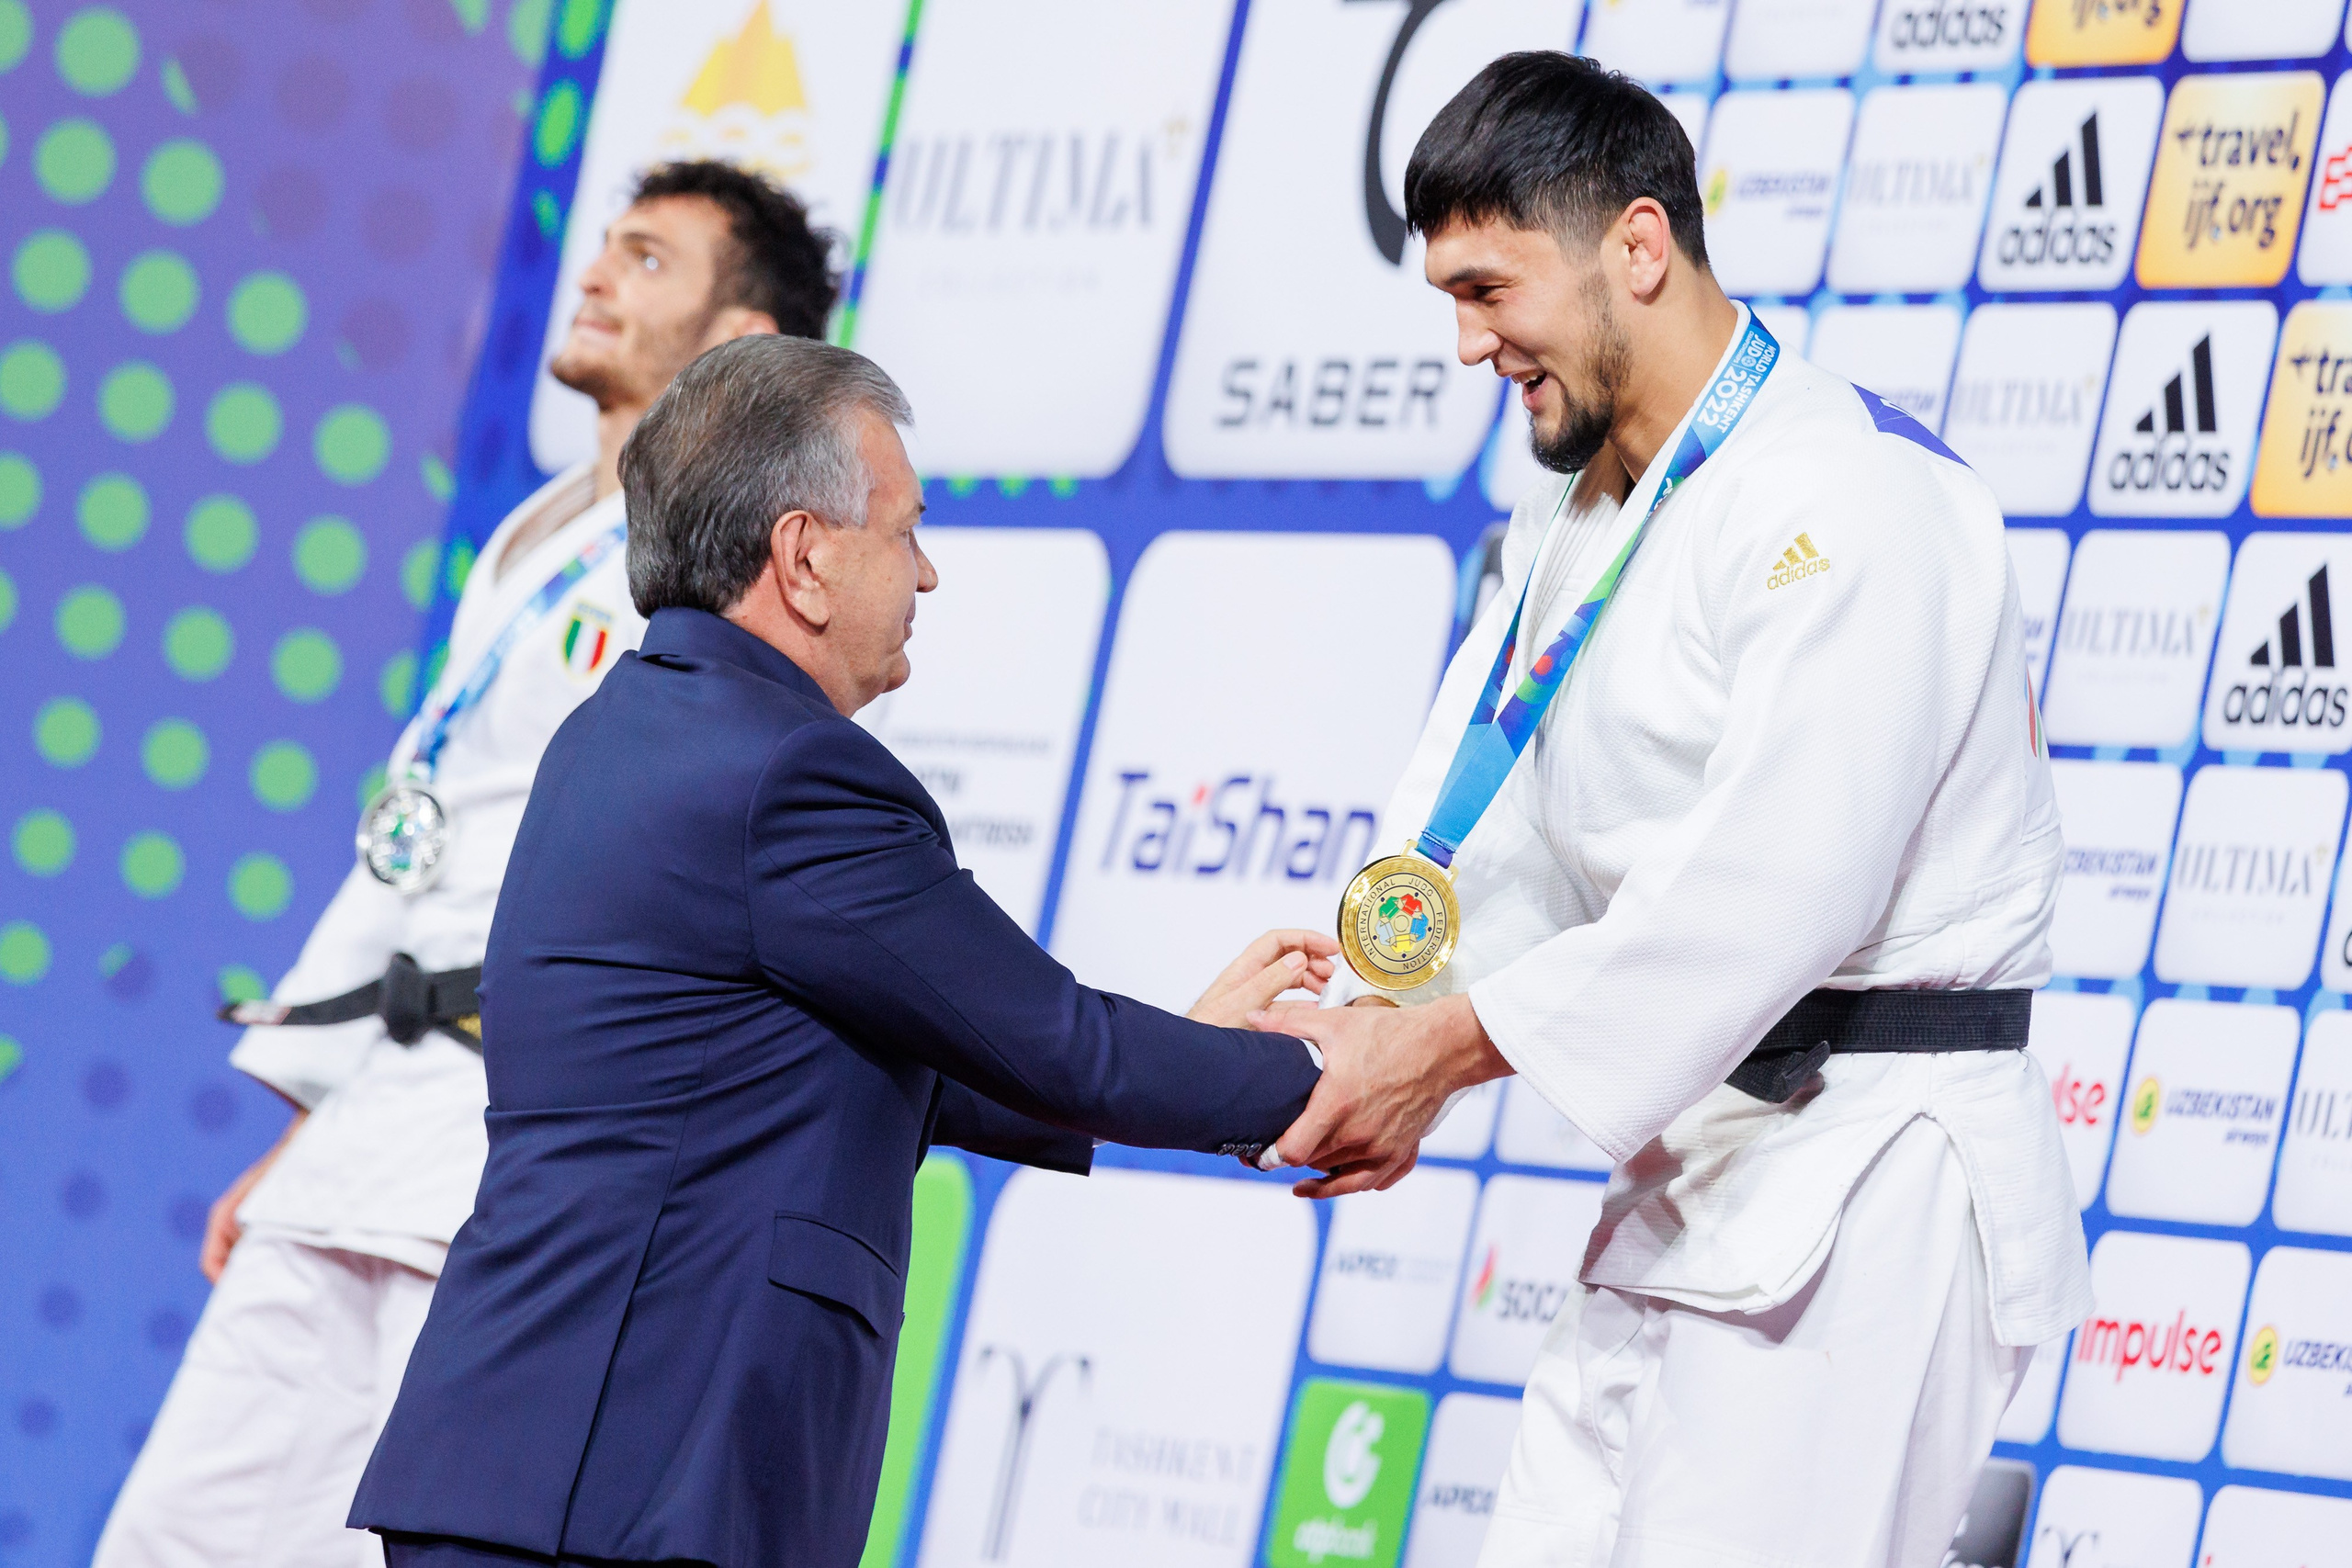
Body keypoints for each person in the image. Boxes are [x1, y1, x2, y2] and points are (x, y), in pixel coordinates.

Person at [1255, 54, 2090, 1568]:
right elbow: (1472, 810)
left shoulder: (1855, 499)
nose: (1464, 345)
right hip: (1701, 1165)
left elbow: (1770, 893)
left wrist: (1432, 1053)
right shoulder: (1585, 507)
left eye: (1489, 289)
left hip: (1873, 1179)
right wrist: (1350, 1023)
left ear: (1637, 247)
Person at [346, 335, 1335, 1568]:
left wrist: (1194, 1045)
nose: (926, 575)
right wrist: (1335, 1078)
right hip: (628, 1480)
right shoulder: (787, 774)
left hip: (536, 1464)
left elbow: (799, 1059)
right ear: (805, 556)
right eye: (906, 531)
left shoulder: (621, 731)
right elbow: (1050, 1038)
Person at [95, 160, 839, 1568]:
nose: (599, 277)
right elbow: (425, 828)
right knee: (182, 1534)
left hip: (534, 1129)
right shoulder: (531, 530)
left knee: (397, 1544)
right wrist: (313, 1114)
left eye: (649, 259)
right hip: (383, 1110)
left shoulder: (739, 564)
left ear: (739, 343)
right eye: (603, 249)